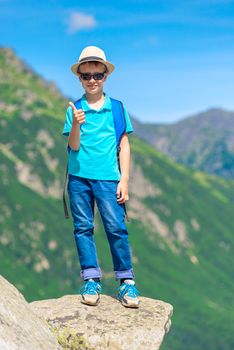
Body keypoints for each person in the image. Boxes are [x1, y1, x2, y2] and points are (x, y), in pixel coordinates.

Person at [62, 46, 140, 308]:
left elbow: (124, 144)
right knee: (83, 227)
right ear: (79, 78)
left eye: (97, 75)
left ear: (106, 76)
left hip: (109, 178)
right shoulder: (75, 109)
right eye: (87, 76)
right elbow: (73, 146)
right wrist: (76, 123)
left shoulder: (117, 108)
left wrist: (125, 179)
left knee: (116, 228)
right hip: (79, 178)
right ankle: (91, 278)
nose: (92, 80)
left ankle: (126, 282)